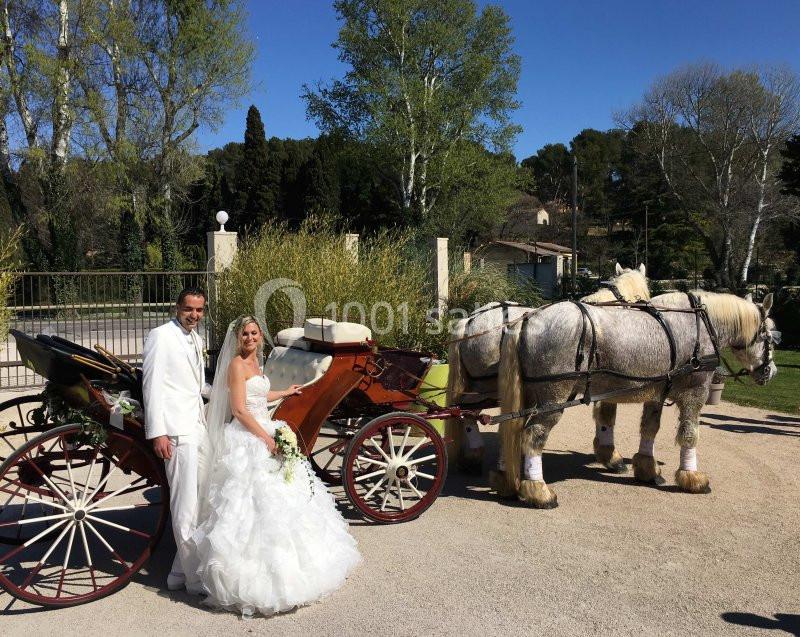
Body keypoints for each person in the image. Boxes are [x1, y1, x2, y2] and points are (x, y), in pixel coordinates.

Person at [188, 315, 361, 617]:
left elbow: (257, 395)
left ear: (260, 336)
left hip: (266, 427)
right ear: (237, 338)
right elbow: (240, 410)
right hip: (249, 436)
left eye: (254, 333)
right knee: (248, 506)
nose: (250, 338)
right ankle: (252, 579)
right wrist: (266, 440)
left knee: (285, 501)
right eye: (245, 334)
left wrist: (283, 393)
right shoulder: (236, 366)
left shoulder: (256, 363)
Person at [141, 286, 210, 592]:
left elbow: (196, 387)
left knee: (200, 500)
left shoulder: (196, 338)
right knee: (184, 507)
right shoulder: (161, 335)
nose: (194, 315)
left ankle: (178, 573)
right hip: (177, 432)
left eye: (199, 310)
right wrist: (158, 432)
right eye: (188, 309)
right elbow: (151, 384)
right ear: (177, 308)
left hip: (197, 426)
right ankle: (194, 580)